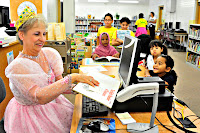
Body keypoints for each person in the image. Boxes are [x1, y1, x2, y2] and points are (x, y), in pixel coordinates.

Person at [4, 7, 99, 133]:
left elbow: (59, 85)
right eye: (36, 34)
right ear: (22, 35)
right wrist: (72, 78)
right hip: (30, 118)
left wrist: (83, 88)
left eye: (44, 34)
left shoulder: (48, 54)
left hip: (52, 105)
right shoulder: (18, 67)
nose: (43, 39)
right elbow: (40, 96)